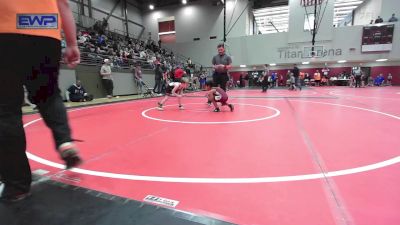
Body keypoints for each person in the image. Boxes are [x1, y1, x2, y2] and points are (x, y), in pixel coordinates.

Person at [0, 0, 82, 202]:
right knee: (49, 95)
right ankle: (64, 141)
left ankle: (17, 185)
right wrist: (71, 44)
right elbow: (63, 4)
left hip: (5, 29)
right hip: (44, 28)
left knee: (6, 109)